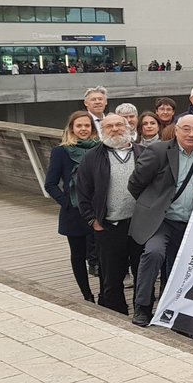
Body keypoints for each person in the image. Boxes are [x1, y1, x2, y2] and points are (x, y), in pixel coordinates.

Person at [127, 114, 193, 326]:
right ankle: (142, 306)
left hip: (190, 222)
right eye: (186, 129)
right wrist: (152, 205)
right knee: (153, 253)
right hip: (161, 220)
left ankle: (170, 308)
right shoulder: (158, 151)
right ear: (176, 130)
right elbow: (135, 183)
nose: (191, 134)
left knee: (181, 265)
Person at [75, 115, 144, 315]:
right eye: (109, 126)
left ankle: (142, 312)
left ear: (128, 127)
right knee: (112, 278)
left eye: (119, 124)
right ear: (102, 130)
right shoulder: (92, 157)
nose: (114, 129)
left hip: (140, 225)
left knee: (142, 274)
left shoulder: (144, 153)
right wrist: (92, 220)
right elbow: (82, 191)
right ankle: (117, 315)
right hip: (109, 226)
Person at [45, 111, 99, 302]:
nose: (83, 129)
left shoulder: (100, 148)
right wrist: (66, 202)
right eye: (79, 126)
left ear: (92, 128)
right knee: (78, 255)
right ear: (72, 128)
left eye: (87, 125)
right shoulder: (61, 151)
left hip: (98, 210)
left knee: (102, 255)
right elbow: (50, 183)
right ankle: (87, 295)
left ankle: (105, 293)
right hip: (74, 213)